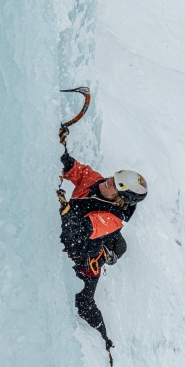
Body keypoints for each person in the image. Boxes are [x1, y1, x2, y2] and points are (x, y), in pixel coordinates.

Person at [58, 135, 148, 352]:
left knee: (84, 306)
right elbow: (73, 168)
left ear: (121, 199)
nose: (108, 182)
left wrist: (63, 207)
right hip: (70, 246)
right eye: (113, 178)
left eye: (115, 186)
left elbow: (77, 233)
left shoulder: (112, 219)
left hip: (85, 264)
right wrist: (57, 146)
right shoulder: (95, 180)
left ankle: (104, 344)